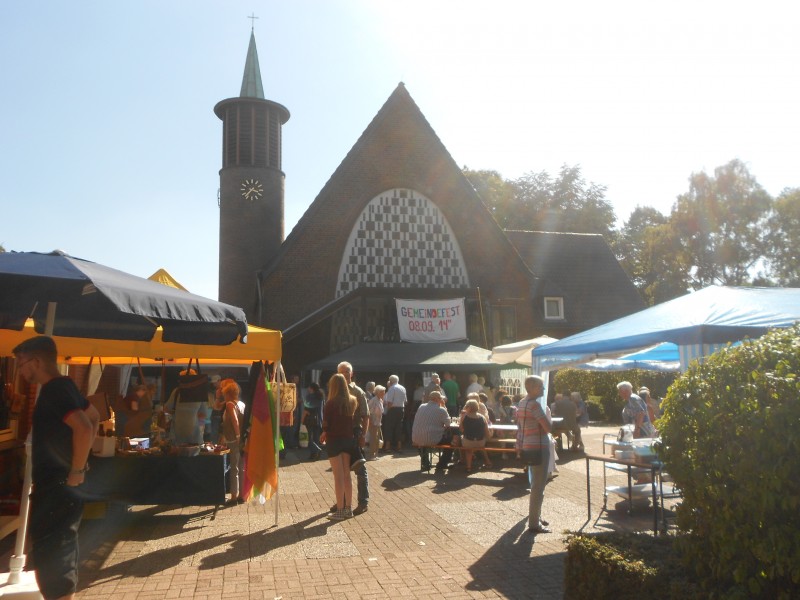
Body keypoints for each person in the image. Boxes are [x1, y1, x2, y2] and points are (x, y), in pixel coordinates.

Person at [13, 336, 100, 600]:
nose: (20, 370)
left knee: (53, 553)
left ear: (36, 361)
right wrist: (79, 465)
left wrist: (77, 470)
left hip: (57, 485)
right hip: (62, 484)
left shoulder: (54, 391)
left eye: (20, 364)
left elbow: (84, 427)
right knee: (60, 548)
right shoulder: (66, 385)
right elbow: (94, 416)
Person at [516, 375, 552, 534]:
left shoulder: (522, 403)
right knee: (539, 485)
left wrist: (519, 446)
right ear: (533, 388)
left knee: (535, 483)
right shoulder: (534, 405)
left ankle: (536, 515)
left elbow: (520, 427)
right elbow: (548, 427)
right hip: (539, 446)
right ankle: (534, 523)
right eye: (541, 386)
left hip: (527, 445)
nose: (543, 389)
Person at [321, 373, 358, 520]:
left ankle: (340, 510)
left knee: (338, 476)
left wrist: (324, 432)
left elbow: (326, 423)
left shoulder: (330, 403)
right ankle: (349, 508)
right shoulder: (352, 401)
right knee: (347, 475)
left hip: (334, 440)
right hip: (348, 440)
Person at [337, 361, 370, 515]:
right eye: (342, 371)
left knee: (359, 468)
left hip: (354, 432)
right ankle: (342, 500)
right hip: (339, 433)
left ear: (352, 373)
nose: (345, 374)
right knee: (341, 470)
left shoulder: (358, 391)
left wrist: (363, 435)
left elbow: (366, 416)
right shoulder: (335, 391)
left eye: (347, 371)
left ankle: (363, 502)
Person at [411, 391, 453, 472]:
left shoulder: (421, 406)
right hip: (432, 439)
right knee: (452, 441)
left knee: (423, 438)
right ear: (436, 399)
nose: (442, 400)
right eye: (440, 398)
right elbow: (448, 424)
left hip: (416, 438)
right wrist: (444, 406)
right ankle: (442, 464)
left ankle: (425, 462)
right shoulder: (441, 410)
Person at [164, 369, 207, 445]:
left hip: (178, 429)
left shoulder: (177, 391)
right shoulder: (200, 393)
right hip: (194, 430)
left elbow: (166, 409)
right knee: (194, 449)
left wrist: (176, 412)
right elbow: (203, 414)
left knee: (178, 450)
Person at [220, 379, 245, 504]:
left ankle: (234, 496)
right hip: (241, 439)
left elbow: (234, 420)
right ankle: (242, 494)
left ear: (228, 393)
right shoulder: (241, 404)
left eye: (224, 394)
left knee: (234, 467)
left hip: (234, 439)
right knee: (241, 467)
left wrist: (237, 434)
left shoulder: (230, 404)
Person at [459, 398, 490, 473]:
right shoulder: (482, 417)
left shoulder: (464, 417)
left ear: (468, 407)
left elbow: (461, 429)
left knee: (467, 448)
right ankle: (487, 461)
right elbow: (486, 431)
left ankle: (468, 466)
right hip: (480, 442)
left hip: (468, 441)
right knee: (480, 447)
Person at [383, 374, 407, 453]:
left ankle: (387, 447)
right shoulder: (403, 388)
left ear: (390, 381)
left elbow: (389, 402)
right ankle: (399, 446)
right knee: (399, 427)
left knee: (389, 427)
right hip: (401, 409)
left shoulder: (392, 388)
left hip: (393, 409)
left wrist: (387, 411)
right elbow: (405, 401)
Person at [302, 382, 324, 460]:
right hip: (319, 420)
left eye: (309, 387)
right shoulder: (321, 397)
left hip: (310, 419)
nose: (308, 388)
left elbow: (306, 410)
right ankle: (314, 455)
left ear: (311, 388)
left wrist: (302, 420)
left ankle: (316, 450)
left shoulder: (309, 397)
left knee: (309, 438)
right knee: (316, 438)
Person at [365, 384, 385, 460]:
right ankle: (371, 455)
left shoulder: (380, 400)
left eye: (384, 392)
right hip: (373, 422)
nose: (384, 393)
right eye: (382, 392)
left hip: (378, 422)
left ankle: (375, 454)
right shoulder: (373, 400)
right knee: (373, 439)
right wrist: (370, 422)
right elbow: (368, 411)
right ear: (377, 392)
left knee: (377, 439)